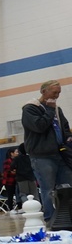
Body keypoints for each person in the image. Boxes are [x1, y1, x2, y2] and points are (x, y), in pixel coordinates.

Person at [21, 80, 72, 223]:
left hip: (60, 154)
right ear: (43, 92)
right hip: (42, 156)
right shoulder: (30, 109)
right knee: (48, 189)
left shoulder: (57, 109)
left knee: (68, 186)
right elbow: (39, 126)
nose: (57, 95)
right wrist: (49, 110)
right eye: (54, 92)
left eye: (59, 92)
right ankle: (50, 218)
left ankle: (68, 216)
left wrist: (68, 138)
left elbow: (65, 126)